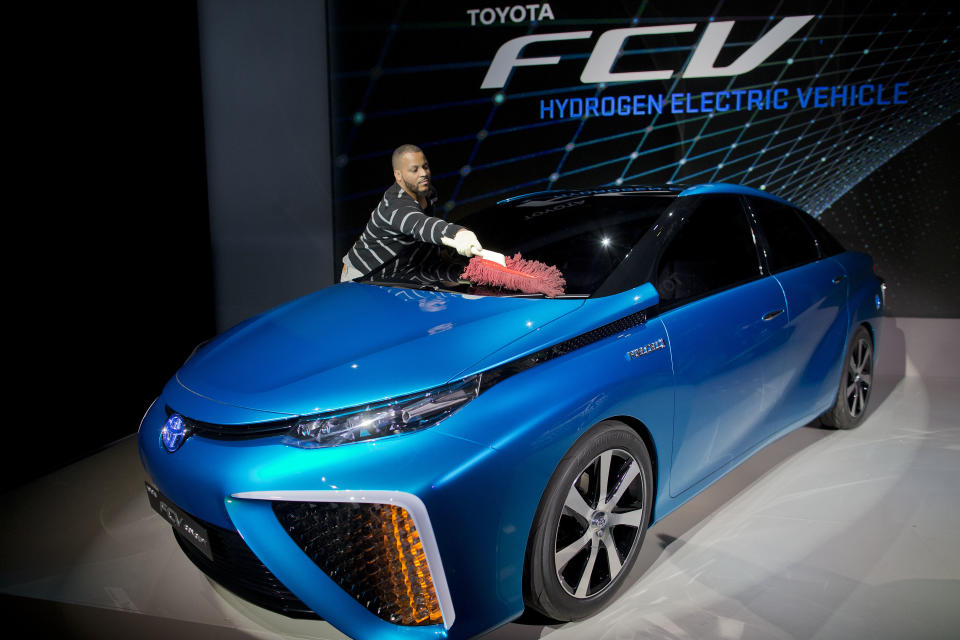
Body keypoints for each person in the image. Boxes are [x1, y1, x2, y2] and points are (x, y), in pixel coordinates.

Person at [341, 144, 483, 281]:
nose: (424, 174)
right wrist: (458, 233)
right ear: (398, 175)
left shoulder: (429, 193)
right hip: (363, 277)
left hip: (402, 271)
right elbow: (421, 225)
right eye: (414, 170)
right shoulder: (395, 207)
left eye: (425, 167)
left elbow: (422, 236)